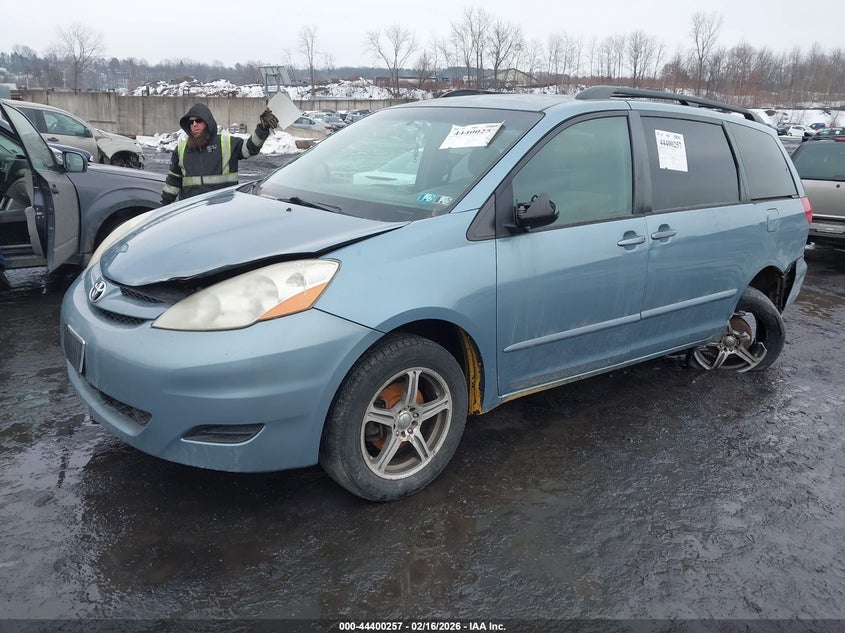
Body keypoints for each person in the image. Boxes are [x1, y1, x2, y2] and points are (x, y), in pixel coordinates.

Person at [160, 103, 279, 205]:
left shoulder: (226, 143)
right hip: (191, 211)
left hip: (222, 210)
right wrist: (163, 207)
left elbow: (251, 147)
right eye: (191, 122)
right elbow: (173, 182)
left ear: (207, 122)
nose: (194, 124)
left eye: (198, 120)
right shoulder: (181, 149)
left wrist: (263, 128)